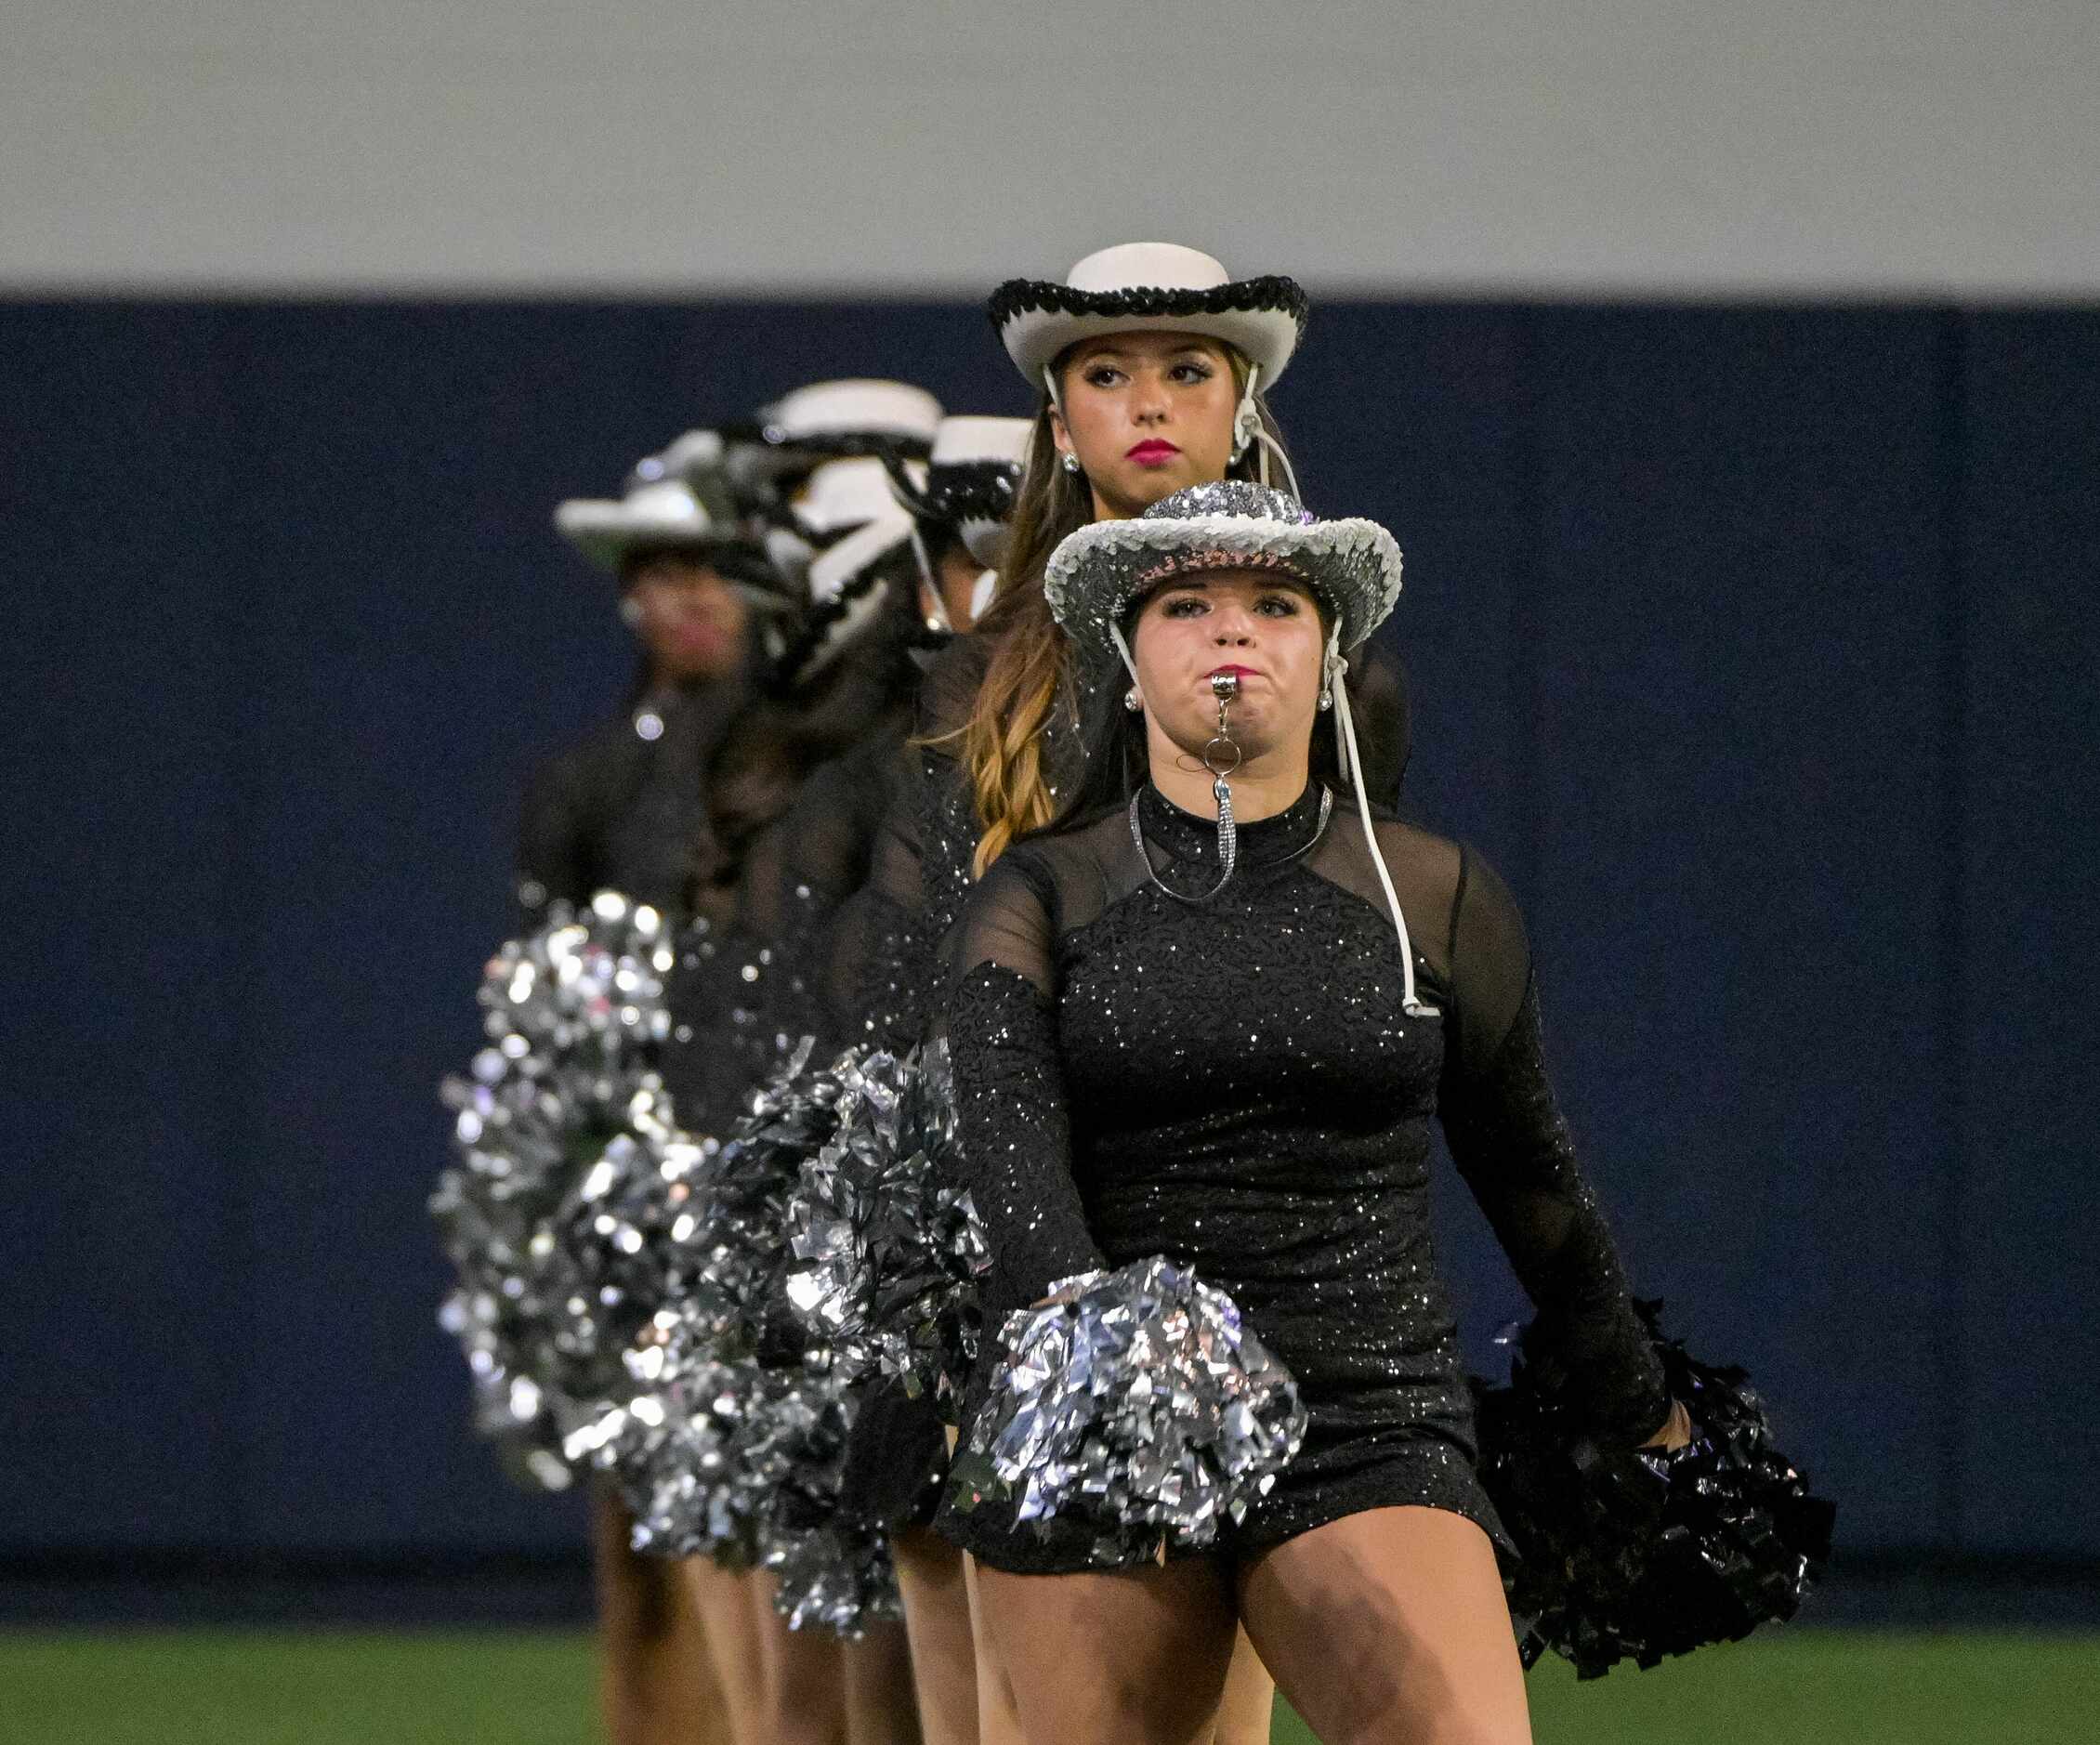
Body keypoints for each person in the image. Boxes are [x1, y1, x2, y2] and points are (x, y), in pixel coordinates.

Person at [932, 483, 1690, 1745]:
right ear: (1128, 660)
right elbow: (1014, 1174)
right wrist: (1116, 1372)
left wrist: (1642, 1404)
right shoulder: (1039, 893)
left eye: (1274, 604)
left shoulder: (1437, 895)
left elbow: (1537, 1185)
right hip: (1104, 1402)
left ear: (1327, 652)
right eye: (1188, 604)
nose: (1232, 630)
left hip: (1364, 1410)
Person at [833, 243, 1405, 1745]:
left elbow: (1345, 957)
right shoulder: (972, 683)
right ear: (1055, 420)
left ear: (1245, 406)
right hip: (1012, 1238)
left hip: (1234, 1238)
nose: (1148, 403)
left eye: (1187, 370)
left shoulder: (1331, 679)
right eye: (1107, 373)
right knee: (992, 1717)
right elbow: (919, 966)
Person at [515, 431, 790, 1745]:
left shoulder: (810, 770)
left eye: (713, 569)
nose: (688, 596)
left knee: (787, 1543)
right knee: (646, 1542)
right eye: (661, 571)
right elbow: (550, 1016)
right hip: (635, 1207)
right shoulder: (586, 784)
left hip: (784, 1198)